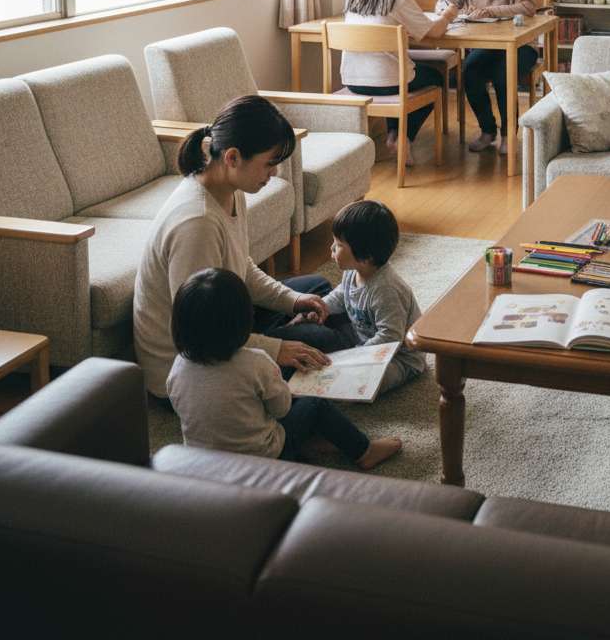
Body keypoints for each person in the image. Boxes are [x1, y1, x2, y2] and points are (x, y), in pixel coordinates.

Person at [133, 94, 334, 400]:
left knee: (316, 290)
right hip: (191, 363)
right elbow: (200, 331)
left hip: (223, 321)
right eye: (269, 164)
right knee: (321, 342)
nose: (275, 173)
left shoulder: (229, 189)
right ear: (232, 157)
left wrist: (292, 300)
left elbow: (241, 268)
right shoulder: (197, 224)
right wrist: (277, 349)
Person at [167, 268, 401, 468]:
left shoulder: (177, 366)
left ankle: (310, 442)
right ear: (243, 323)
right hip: (264, 458)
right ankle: (364, 451)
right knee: (313, 403)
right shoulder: (256, 362)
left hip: (204, 462)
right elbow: (282, 408)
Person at [278, 199, 425, 395]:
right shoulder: (353, 271)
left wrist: (354, 357)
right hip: (361, 337)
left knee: (359, 383)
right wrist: (321, 308)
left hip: (398, 358)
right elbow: (340, 296)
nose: (331, 248)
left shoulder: (386, 290)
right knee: (315, 326)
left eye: (338, 245)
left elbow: (390, 338)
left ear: (366, 256)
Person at [343, 0, 460, 165]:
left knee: (393, 74)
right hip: (389, 81)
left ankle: (393, 135)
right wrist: (448, 15)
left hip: (353, 81)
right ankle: (403, 136)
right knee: (436, 77)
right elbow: (434, 32)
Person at [436, 0, 538, 155]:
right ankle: (487, 130)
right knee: (469, 70)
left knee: (504, 76)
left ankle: (508, 135)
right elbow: (442, 4)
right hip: (488, 46)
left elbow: (528, 6)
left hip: (522, 46)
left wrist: (489, 10)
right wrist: (456, 10)